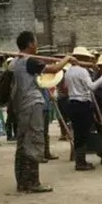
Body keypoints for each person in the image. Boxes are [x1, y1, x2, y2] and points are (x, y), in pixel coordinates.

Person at [11, 32, 71, 192]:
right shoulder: (29, 61)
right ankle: (32, 183)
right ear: (30, 44)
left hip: (22, 105)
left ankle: (22, 182)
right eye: (36, 42)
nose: (37, 45)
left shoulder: (16, 62)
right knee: (34, 140)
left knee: (23, 143)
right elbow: (55, 69)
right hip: (32, 104)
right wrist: (67, 58)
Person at [64, 47, 102, 171]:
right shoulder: (82, 71)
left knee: (78, 133)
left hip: (72, 103)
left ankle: (80, 160)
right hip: (82, 104)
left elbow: (65, 87)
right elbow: (92, 86)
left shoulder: (68, 71)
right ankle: (81, 162)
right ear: (82, 58)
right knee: (83, 133)